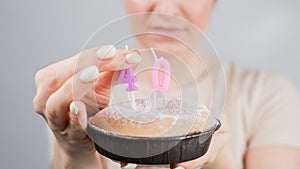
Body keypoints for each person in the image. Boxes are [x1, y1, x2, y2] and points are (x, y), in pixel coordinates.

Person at [33, 0, 300, 169]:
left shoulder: (268, 95)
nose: (166, 9)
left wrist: (217, 156)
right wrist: (75, 151)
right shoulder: (84, 98)